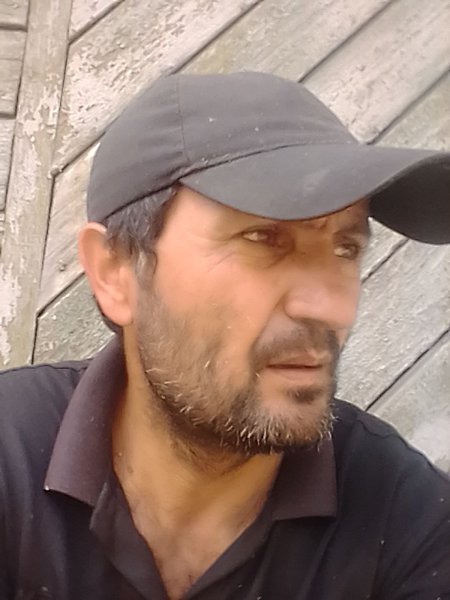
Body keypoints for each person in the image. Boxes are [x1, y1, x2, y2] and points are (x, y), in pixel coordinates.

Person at [0, 72, 449, 600]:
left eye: (346, 249)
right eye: (263, 238)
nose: (330, 307)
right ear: (115, 272)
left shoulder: (408, 522)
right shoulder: (10, 458)